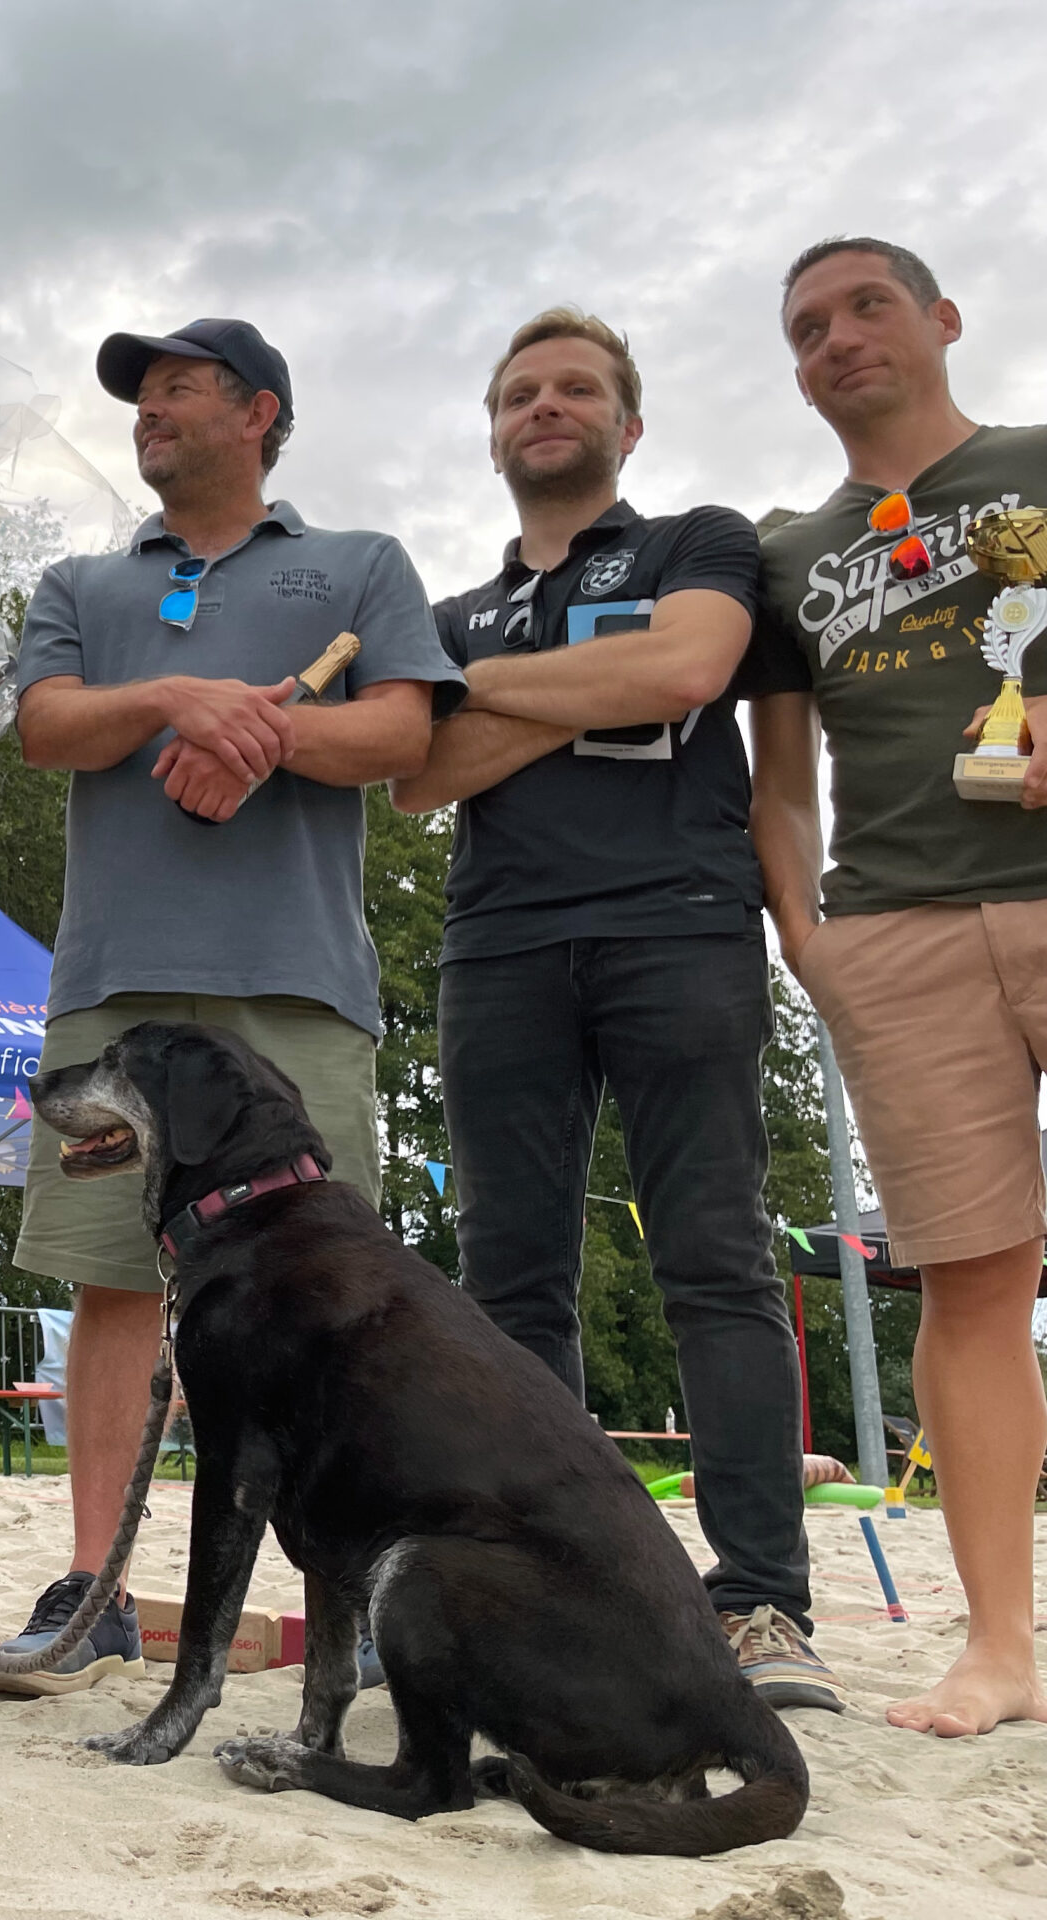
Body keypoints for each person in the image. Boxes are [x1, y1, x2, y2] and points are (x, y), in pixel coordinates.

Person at [0, 317, 458, 1694]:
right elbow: (44, 726)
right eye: (140, 395)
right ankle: (94, 1590)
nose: (148, 410)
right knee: (109, 1282)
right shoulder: (81, 581)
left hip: (298, 982)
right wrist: (178, 699)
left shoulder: (359, 564)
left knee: (327, 1296)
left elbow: (403, 733)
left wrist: (263, 735)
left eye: (177, 388)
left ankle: (344, 1603)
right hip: (114, 985)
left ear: (259, 412)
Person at [395, 307, 839, 1711]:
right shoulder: (446, 614)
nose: (545, 405)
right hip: (499, 944)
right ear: (491, 432)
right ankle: (552, 1586)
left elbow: (688, 669)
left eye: (576, 388)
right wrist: (586, 683)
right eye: (519, 392)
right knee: (510, 1282)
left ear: (627, 424)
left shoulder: (698, 543)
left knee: (715, 1259)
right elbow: (415, 777)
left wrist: (482, 699)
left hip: (681, 924)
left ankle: (759, 1600)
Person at [748, 237, 1047, 1737]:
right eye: (807, 327)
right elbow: (781, 779)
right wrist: (811, 941)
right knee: (975, 1281)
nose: (838, 339)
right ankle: (1001, 1649)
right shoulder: (788, 552)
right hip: (898, 933)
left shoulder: (1039, 462)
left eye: (867, 306)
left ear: (942, 317)